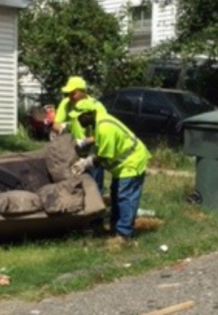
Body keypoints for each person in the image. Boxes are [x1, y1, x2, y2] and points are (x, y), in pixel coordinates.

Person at [69, 98, 151, 242]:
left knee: (125, 196)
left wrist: (86, 163)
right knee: (115, 193)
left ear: (89, 114)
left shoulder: (104, 127)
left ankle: (124, 235)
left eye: (79, 117)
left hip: (131, 161)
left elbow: (103, 156)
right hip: (123, 164)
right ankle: (115, 228)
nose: (78, 121)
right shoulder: (98, 123)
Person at [52, 76, 106, 191]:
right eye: (68, 93)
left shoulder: (96, 106)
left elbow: (104, 134)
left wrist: (86, 142)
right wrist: (63, 128)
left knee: (94, 185)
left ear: (83, 92)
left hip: (93, 150)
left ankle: (96, 205)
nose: (70, 97)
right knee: (75, 184)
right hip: (74, 149)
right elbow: (56, 124)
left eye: (73, 93)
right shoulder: (66, 103)